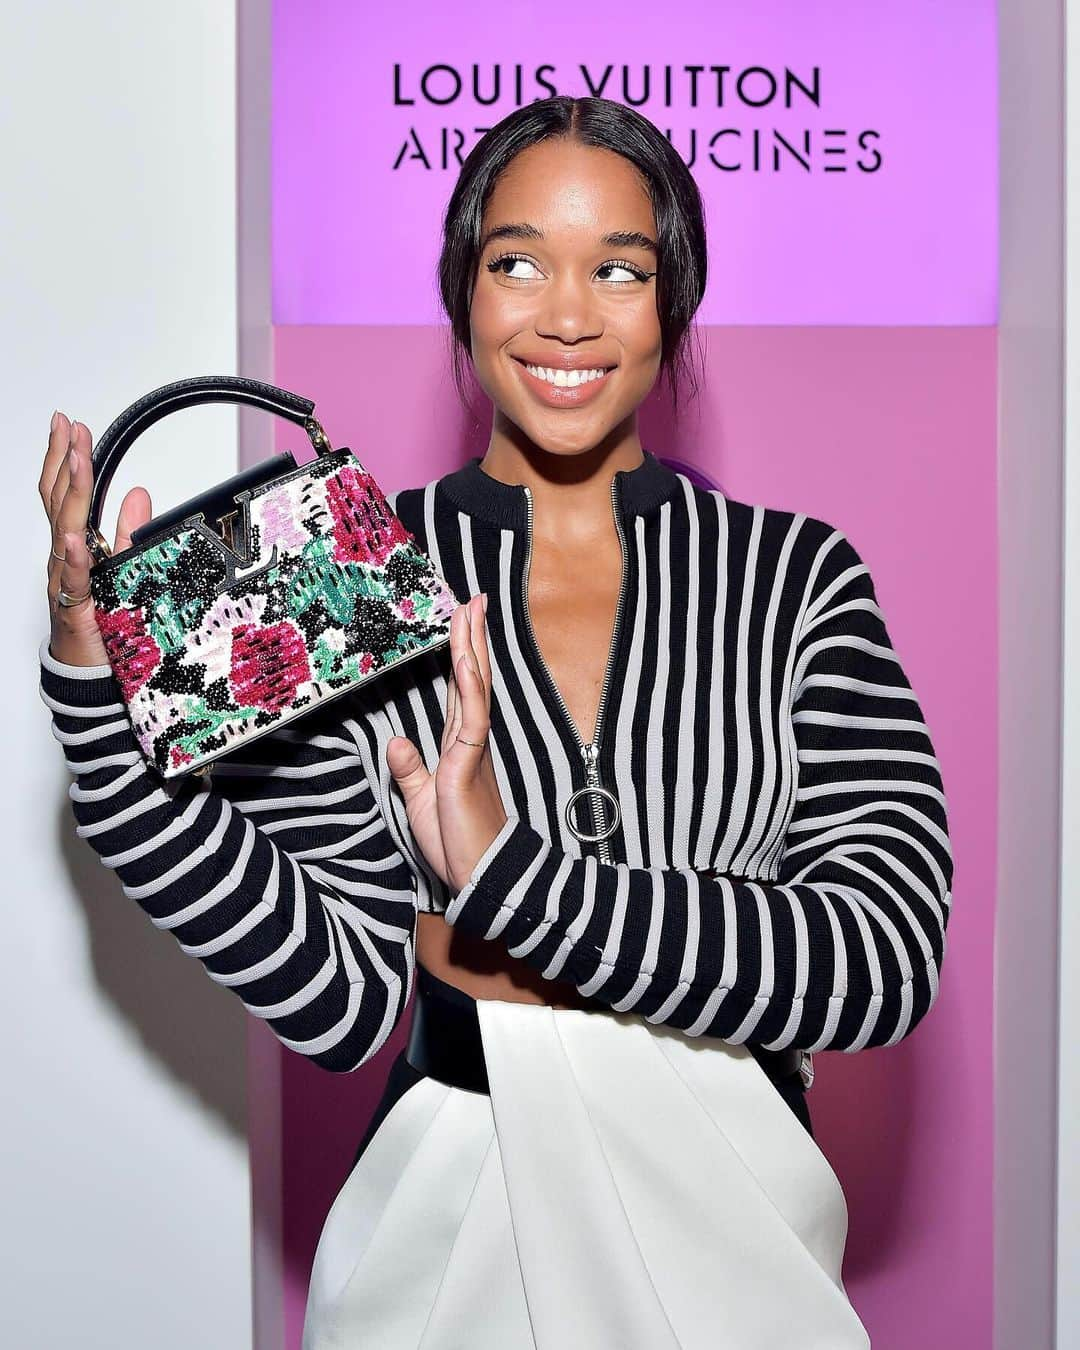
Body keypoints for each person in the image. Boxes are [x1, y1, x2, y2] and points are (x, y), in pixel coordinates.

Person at [38, 96, 952, 1349]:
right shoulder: (351, 567)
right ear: (462, 293)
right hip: (451, 1211)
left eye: (617, 271)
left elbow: (881, 956)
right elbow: (342, 993)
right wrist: (97, 686)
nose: (565, 315)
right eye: (515, 261)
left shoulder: (795, 577)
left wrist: (511, 881)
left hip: (733, 1209)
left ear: (672, 303)